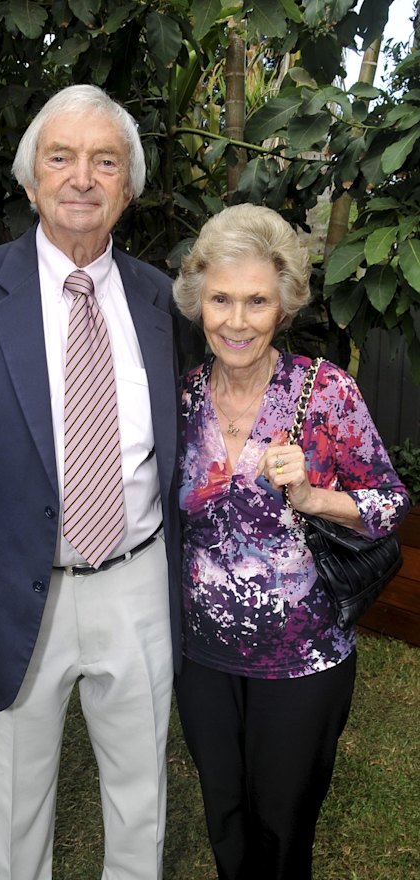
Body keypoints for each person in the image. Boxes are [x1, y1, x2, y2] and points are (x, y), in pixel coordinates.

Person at [0, 84, 183, 880]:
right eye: (60, 158)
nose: (82, 178)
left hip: (138, 582)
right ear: (31, 180)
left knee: (141, 795)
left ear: (127, 186)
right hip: (17, 594)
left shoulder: (163, 300)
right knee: (18, 799)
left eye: (105, 161)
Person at [171, 203, 409, 880]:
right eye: (221, 299)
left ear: (284, 306)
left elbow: (389, 505)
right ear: (198, 300)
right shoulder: (180, 397)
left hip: (303, 660)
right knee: (225, 815)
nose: (237, 321)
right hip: (202, 658)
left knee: (282, 825)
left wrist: (310, 497)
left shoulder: (325, 392)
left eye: (257, 301)